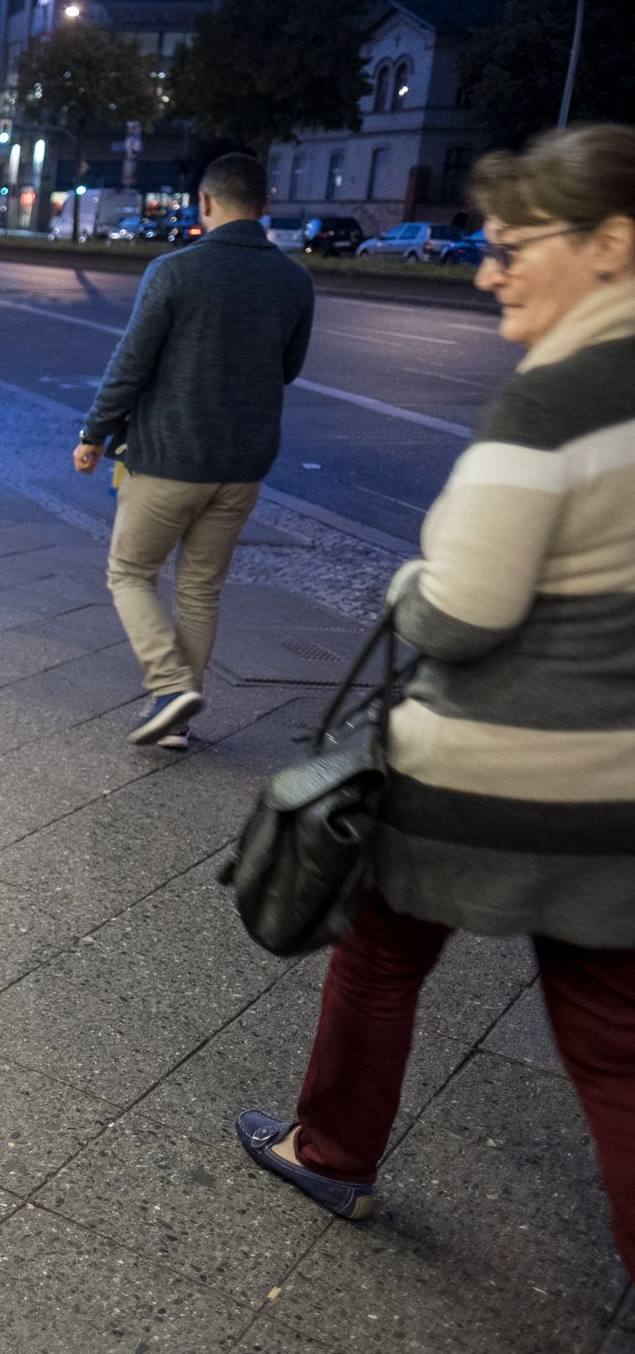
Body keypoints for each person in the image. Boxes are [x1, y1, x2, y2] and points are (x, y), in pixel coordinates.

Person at [239, 123, 635, 1279]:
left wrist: (412, 579)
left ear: (609, 244)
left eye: (512, 248)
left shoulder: (551, 405)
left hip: (486, 775)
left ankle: (331, 1147)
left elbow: (458, 612)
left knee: (376, 958)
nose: (484, 269)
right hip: (619, 788)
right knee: (612, 1050)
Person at [73, 152, 314, 750]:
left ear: (205, 203)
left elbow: (131, 364)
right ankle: (176, 720)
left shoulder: (175, 271)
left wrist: (94, 434)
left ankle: (169, 686)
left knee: (129, 572)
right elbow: (288, 369)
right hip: (243, 465)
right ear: (265, 205)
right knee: (200, 589)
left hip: (169, 458)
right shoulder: (294, 280)